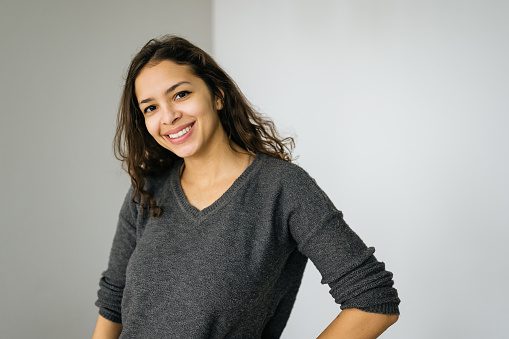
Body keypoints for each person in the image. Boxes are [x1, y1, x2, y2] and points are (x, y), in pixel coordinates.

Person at [92, 35, 400, 339]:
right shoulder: (146, 191)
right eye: (150, 108)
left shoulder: (282, 188)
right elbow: (113, 303)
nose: (169, 116)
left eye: (181, 94)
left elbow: (373, 300)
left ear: (217, 95)